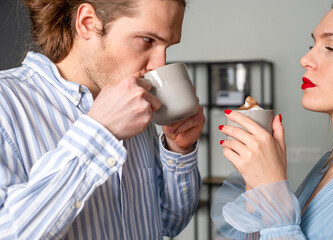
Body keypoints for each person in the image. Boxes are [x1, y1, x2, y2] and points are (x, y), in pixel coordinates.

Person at [0, 0, 205, 239]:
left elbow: (170, 223)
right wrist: (100, 131)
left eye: (167, 46)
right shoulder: (6, 103)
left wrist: (178, 150)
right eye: (147, 40)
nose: (159, 64)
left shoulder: (136, 103)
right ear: (87, 23)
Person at [211, 0, 333, 239]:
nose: (305, 59)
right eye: (313, 44)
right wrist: (259, 182)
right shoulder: (326, 166)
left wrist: (272, 191)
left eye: (331, 47)